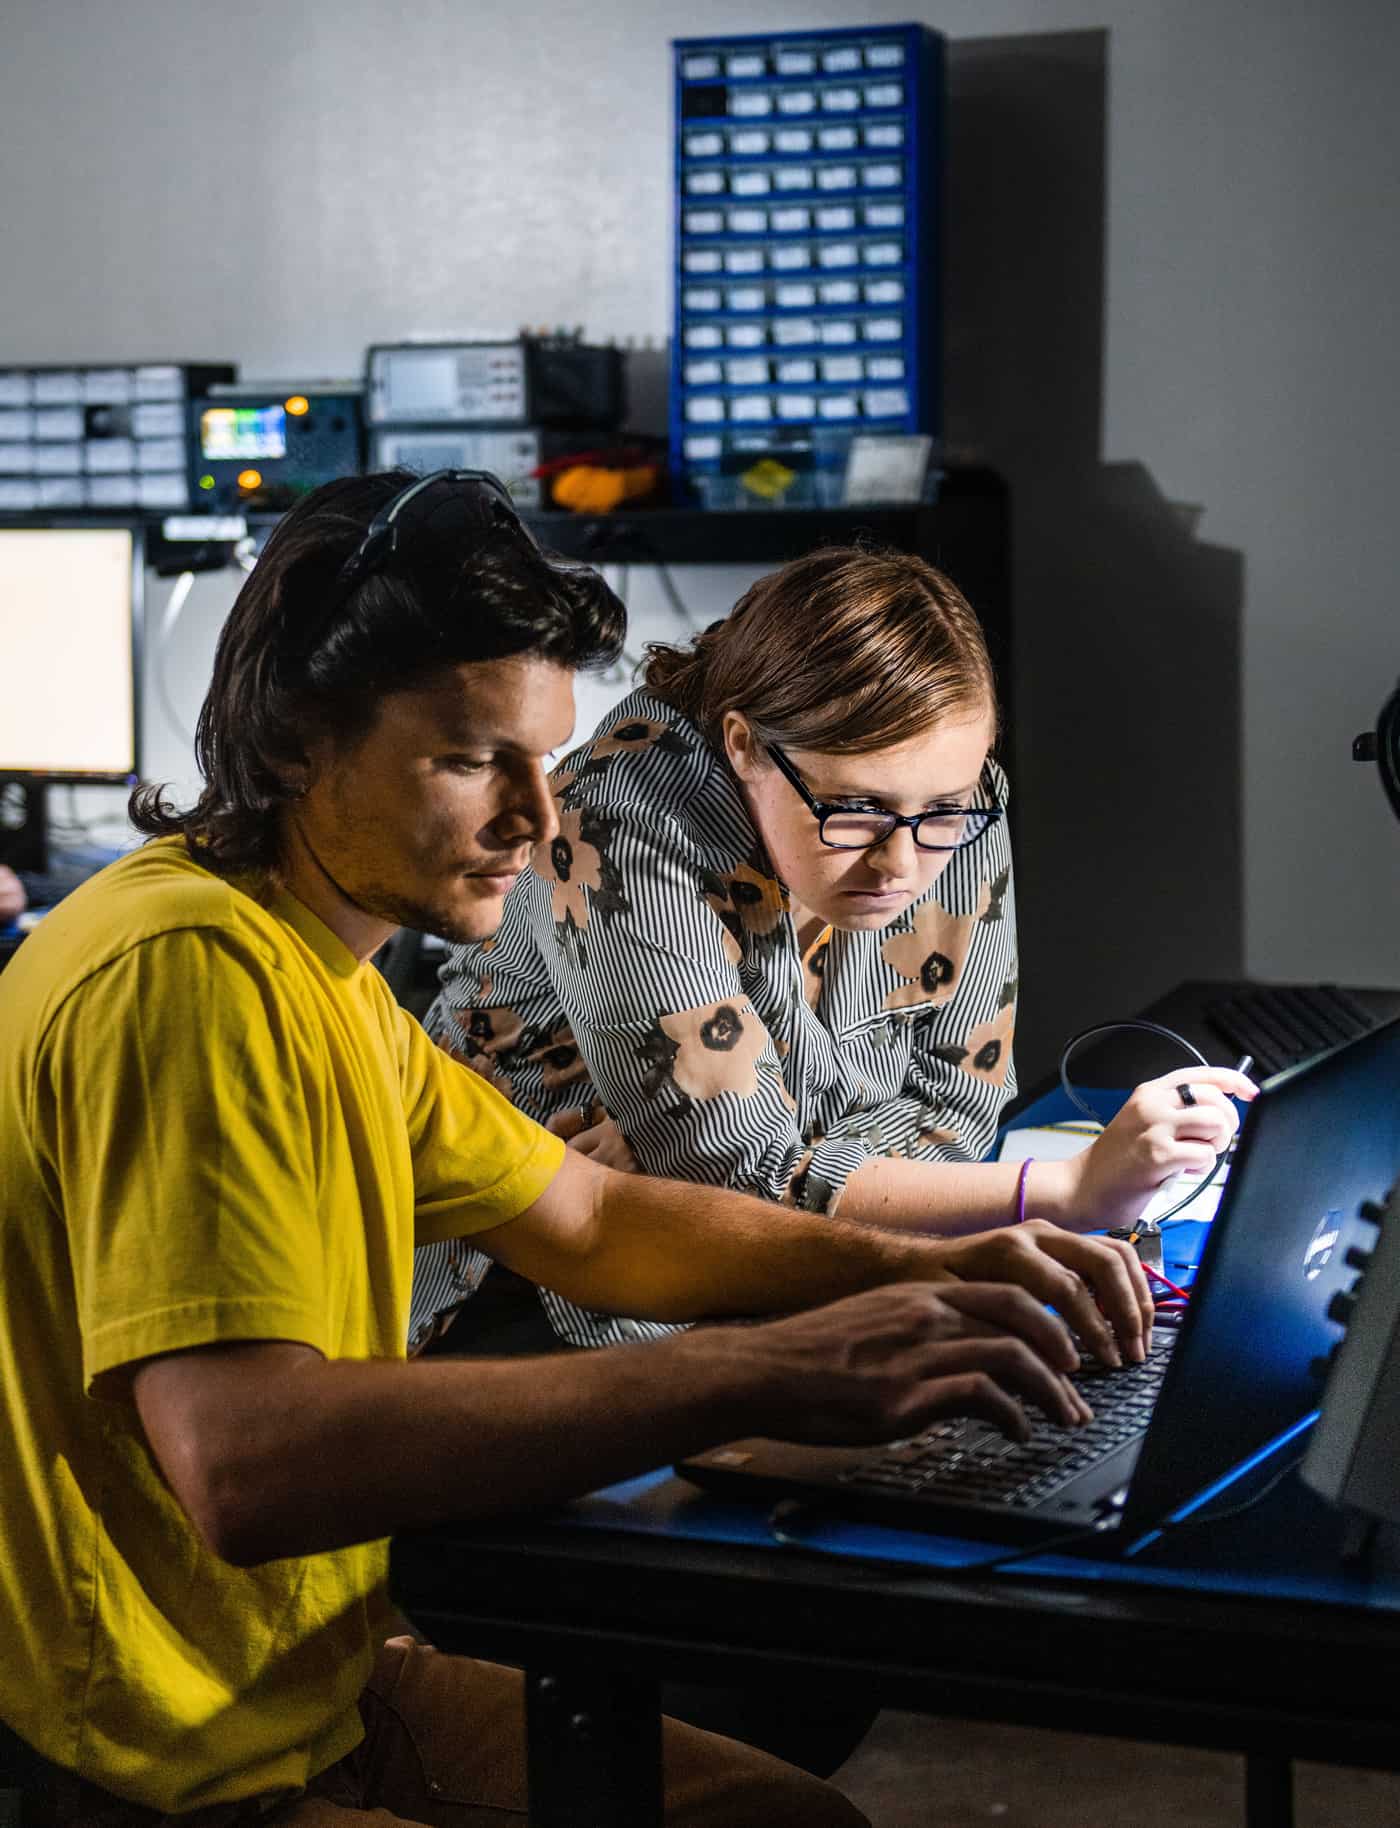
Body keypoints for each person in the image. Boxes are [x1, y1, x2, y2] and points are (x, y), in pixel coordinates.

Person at [0, 471, 1178, 1828]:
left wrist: (920, 1275)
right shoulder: (189, 982)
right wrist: (762, 1370)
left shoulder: (310, 973)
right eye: (469, 760)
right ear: (292, 746)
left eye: (544, 759)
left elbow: (595, 1221)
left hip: (295, 1691)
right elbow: (248, 1461)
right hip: (147, 1766)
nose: (540, 815)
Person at [415, 545, 1254, 1356]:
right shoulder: (619, 822)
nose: (901, 862)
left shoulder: (952, 811)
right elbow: (738, 1181)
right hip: (520, 1297)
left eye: (944, 809)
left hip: (807, 1275)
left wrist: (715, 1151)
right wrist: (1066, 1193)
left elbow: (958, 1120)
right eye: (853, 810)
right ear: (743, 746)